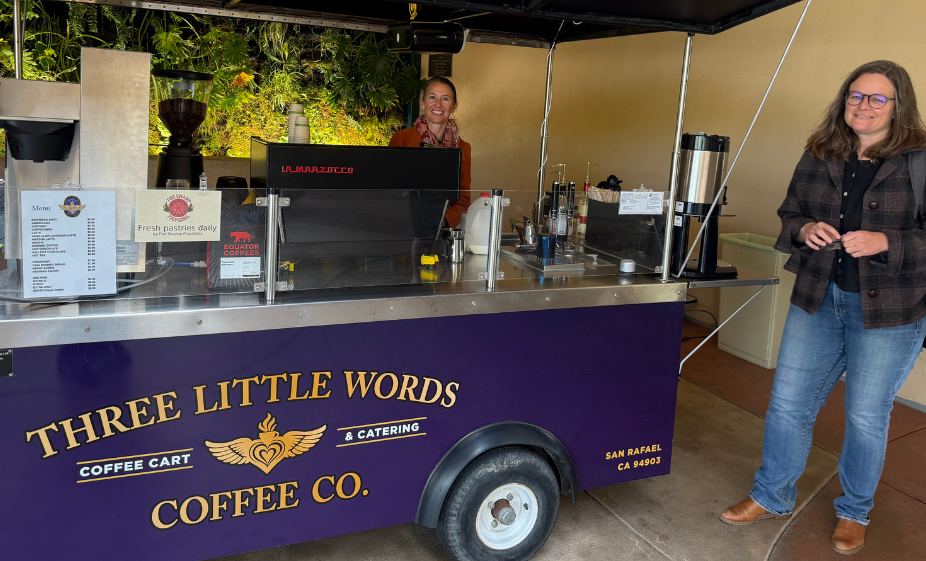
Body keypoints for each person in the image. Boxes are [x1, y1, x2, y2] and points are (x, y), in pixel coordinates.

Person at [720, 60, 926, 555]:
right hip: (818, 299)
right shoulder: (820, 152)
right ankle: (771, 495)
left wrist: (886, 241)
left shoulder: (919, 160)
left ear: (899, 106)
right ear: (843, 100)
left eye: (878, 99)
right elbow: (790, 213)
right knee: (787, 403)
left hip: (890, 314)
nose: (865, 106)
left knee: (865, 417)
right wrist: (803, 231)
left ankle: (854, 511)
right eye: (856, 96)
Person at [389, 76, 471, 228]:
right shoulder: (401, 139)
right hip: (403, 229)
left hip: (441, 230)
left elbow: (463, 201)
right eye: (432, 97)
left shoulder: (463, 147)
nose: (438, 104)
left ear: (454, 106)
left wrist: (441, 222)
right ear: (422, 102)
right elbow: (388, 192)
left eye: (445, 99)